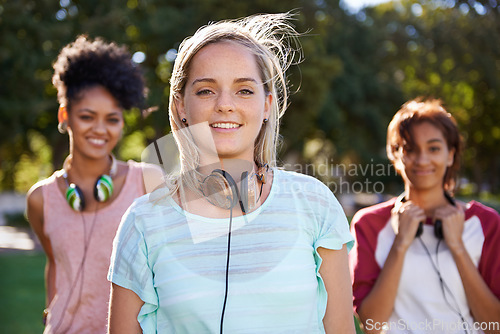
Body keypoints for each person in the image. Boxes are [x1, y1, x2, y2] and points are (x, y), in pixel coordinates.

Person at [107, 13, 355, 333]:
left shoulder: (315, 203)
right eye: (206, 90)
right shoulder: (142, 222)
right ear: (181, 106)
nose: (225, 104)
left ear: (267, 106)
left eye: (244, 90)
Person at [26, 35, 163, 333]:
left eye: (112, 119)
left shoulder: (149, 181)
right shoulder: (40, 199)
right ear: (66, 116)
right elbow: (56, 263)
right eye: (87, 116)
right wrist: (51, 316)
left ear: (122, 123)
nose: (100, 130)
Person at [349, 98, 500, 334]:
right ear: (395, 156)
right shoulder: (368, 224)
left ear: (450, 155)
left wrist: (458, 247)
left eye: (434, 148)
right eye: (410, 149)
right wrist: (400, 244)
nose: (422, 159)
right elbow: (371, 325)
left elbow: (496, 326)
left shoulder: (487, 223)